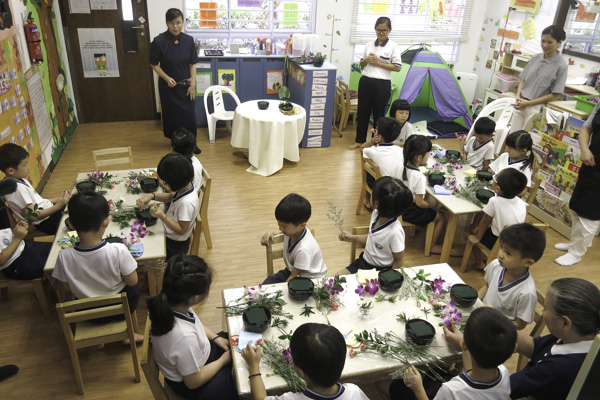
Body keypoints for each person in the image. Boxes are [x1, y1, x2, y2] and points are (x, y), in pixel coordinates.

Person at [52, 192, 143, 341]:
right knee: (132, 288)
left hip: (87, 314)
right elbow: (133, 281)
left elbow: (66, 288)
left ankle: (97, 339)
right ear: (106, 221)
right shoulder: (118, 250)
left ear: (71, 224)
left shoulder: (64, 257)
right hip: (120, 310)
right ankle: (126, 335)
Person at [147, 255, 238, 400]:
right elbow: (193, 382)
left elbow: (195, 323)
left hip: (199, 356)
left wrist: (216, 337)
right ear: (195, 298)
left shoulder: (175, 301)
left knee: (237, 340)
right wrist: (223, 361)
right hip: (195, 383)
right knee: (240, 380)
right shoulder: (183, 337)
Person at [392, 307, 516, 400]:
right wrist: (464, 344)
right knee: (434, 374)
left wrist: (417, 387)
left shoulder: (452, 391)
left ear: (464, 344)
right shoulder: (504, 373)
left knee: (396, 387)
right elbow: (475, 370)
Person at [510, 278, 600, 400]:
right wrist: (497, 324)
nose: (542, 311)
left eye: (546, 308)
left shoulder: (557, 368)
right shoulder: (577, 335)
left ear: (564, 323)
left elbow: (505, 387)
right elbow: (534, 346)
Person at [242, 323, 369, 400]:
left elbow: (260, 399)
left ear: (300, 371)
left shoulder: (289, 399)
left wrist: (253, 366)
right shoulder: (354, 392)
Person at [554, 103, 600, 266]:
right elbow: (586, 128)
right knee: (577, 205)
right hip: (591, 162)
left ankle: (577, 252)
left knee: (591, 212)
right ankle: (575, 244)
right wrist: (584, 149)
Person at [337, 176, 412, 274]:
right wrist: (353, 238)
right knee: (332, 282)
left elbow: (399, 261)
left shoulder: (395, 232)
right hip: (363, 263)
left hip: (381, 271)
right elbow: (373, 238)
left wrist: (388, 278)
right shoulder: (376, 214)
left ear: (376, 203)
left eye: (371, 193)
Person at [150, 8, 201, 154]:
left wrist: (193, 85)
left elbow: (192, 64)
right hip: (169, 86)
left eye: (179, 22)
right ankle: (176, 145)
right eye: (172, 23)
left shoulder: (189, 40)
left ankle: (192, 145)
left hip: (186, 85)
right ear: (167, 23)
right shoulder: (159, 41)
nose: (176, 26)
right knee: (173, 117)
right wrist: (166, 78)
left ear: (183, 22)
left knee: (189, 116)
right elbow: (153, 64)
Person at [478, 223, 545, 330]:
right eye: (501, 247)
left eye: (508, 253)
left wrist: (494, 318)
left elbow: (520, 324)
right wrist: (475, 301)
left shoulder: (527, 293)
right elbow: (487, 286)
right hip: (481, 316)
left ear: (527, 262)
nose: (500, 254)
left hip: (500, 329)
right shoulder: (496, 265)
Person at [348, 16, 402, 150]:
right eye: (378, 30)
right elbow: (361, 63)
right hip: (366, 81)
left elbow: (397, 67)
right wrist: (367, 59)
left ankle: (377, 142)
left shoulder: (393, 47)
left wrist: (378, 63)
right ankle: (360, 140)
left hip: (382, 84)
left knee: (379, 115)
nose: (381, 33)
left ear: (389, 30)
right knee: (362, 112)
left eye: (384, 30)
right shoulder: (369, 43)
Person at [137, 153, 198, 261]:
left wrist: (161, 216)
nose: (165, 184)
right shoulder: (185, 186)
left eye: (166, 182)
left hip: (175, 245)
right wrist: (152, 196)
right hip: (170, 234)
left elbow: (182, 230)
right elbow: (170, 196)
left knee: (147, 250)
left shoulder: (186, 203)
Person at [401, 135, 455, 256]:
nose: (428, 156)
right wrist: (431, 206)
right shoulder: (418, 176)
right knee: (440, 216)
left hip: (399, 205)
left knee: (430, 203)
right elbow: (420, 203)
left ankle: (421, 227)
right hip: (408, 211)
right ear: (419, 157)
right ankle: (432, 246)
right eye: (427, 153)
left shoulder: (400, 166)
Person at [0, 143, 70, 235]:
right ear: (11, 171)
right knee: (75, 225)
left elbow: (37, 202)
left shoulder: (18, 181)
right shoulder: (17, 189)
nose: (28, 167)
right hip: (48, 221)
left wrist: (57, 200)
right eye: (25, 165)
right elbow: (33, 216)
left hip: (50, 213)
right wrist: (58, 206)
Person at [467, 169, 528, 270]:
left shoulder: (494, 201)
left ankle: (479, 263)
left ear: (497, 188)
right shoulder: (522, 203)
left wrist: (477, 238)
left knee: (472, 229)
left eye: (495, 178)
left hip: (496, 241)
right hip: (515, 242)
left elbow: (484, 222)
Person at [510, 25, 568, 132]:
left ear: (559, 43)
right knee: (512, 137)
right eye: (543, 41)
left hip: (536, 108)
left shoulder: (561, 66)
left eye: (549, 42)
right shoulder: (535, 58)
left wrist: (528, 104)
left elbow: (556, 95)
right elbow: (523, 80)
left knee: (524, 141)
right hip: (521, 103)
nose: (544, 45)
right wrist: (518, 97)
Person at [260, 194, 326, 284]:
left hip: (309, 279)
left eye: (284, 226)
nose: (280, 229)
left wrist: (280, 292)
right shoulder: (294, 231)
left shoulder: (304, 249)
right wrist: (271, 233)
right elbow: (282, 234)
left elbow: (293, 277)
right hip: (292, 271)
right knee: (265, 286)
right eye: (279, 225)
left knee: (286, 295)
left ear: (301, 225)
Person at [0, 179, 51, 280]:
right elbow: (2, 260)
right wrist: (18, 238)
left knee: (60, 251)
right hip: (14, 263)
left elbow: (5, 231)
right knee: (57, 264)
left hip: (24, 246)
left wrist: (17, 229)